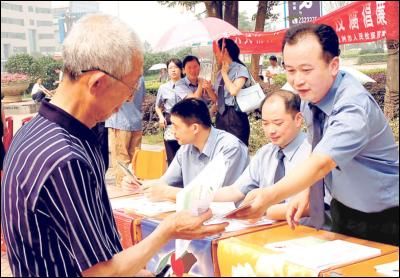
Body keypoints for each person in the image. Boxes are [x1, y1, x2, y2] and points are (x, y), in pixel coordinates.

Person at [1, 14, 228, 277]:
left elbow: (93, 251)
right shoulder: (64, 157)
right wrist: (168, 229)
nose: (131, 97)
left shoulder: (40, 131)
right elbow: (100, 273)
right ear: (97, 83)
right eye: (130, 87)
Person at [228, 23, 399, 246]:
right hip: (344, 209)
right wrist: (308, 191)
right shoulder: (311, 98)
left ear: (333, 65)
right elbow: (316, 148)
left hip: (386, 217)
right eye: (290, 70)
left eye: (306, 70)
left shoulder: (353, 107)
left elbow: (321, 162)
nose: (297, 80)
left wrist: (269, 196)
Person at [124, 98, 249, 202]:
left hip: (231, 222)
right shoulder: (186, 148)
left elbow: (218, 196)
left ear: (195, 128)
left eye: (176, 126)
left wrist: (168, 193)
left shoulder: (230, 148)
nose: (172, 131)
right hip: (196, 215)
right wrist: (140, 185)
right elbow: (166, 183)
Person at [214, 90, 313, 221]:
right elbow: (235, 191)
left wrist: (263, 208)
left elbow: (312, 206)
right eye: (265, 123)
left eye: (278, 123)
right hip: (263, 230)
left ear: (298, 119)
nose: (271, 130)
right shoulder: (265, 153)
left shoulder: (315, 153)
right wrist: (198, 197)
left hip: (306, 232)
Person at [203, 38, 251, 146]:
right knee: (223, 148)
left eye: (217, 51)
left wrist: (225, 74)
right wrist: (209, 89)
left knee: (238, 148)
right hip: (221, 115)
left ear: (225, 51)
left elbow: (233, 91)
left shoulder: (240, 69)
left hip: (236, 115)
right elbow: (217, 99)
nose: (215, 54)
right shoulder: (220, 73)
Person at [105, 76, 146, 186]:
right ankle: (136, 188)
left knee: (121, 159)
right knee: (136, 159)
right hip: (136, 121)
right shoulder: (140, 77)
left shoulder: (118, 75)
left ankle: (124, 188)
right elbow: (142, 98)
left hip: (120, 121)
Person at [155, 58, 187, 165]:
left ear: (182, 70)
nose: (173, 70)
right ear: (167, 70)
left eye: (176, 67)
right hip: (170, 122)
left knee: (186, 153)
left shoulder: (187, 85)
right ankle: (173, 180)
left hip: (185, 121)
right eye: (170, 68)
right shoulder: (163, 88)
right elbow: (158, 107)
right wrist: (161, 117)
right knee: (171, 154)